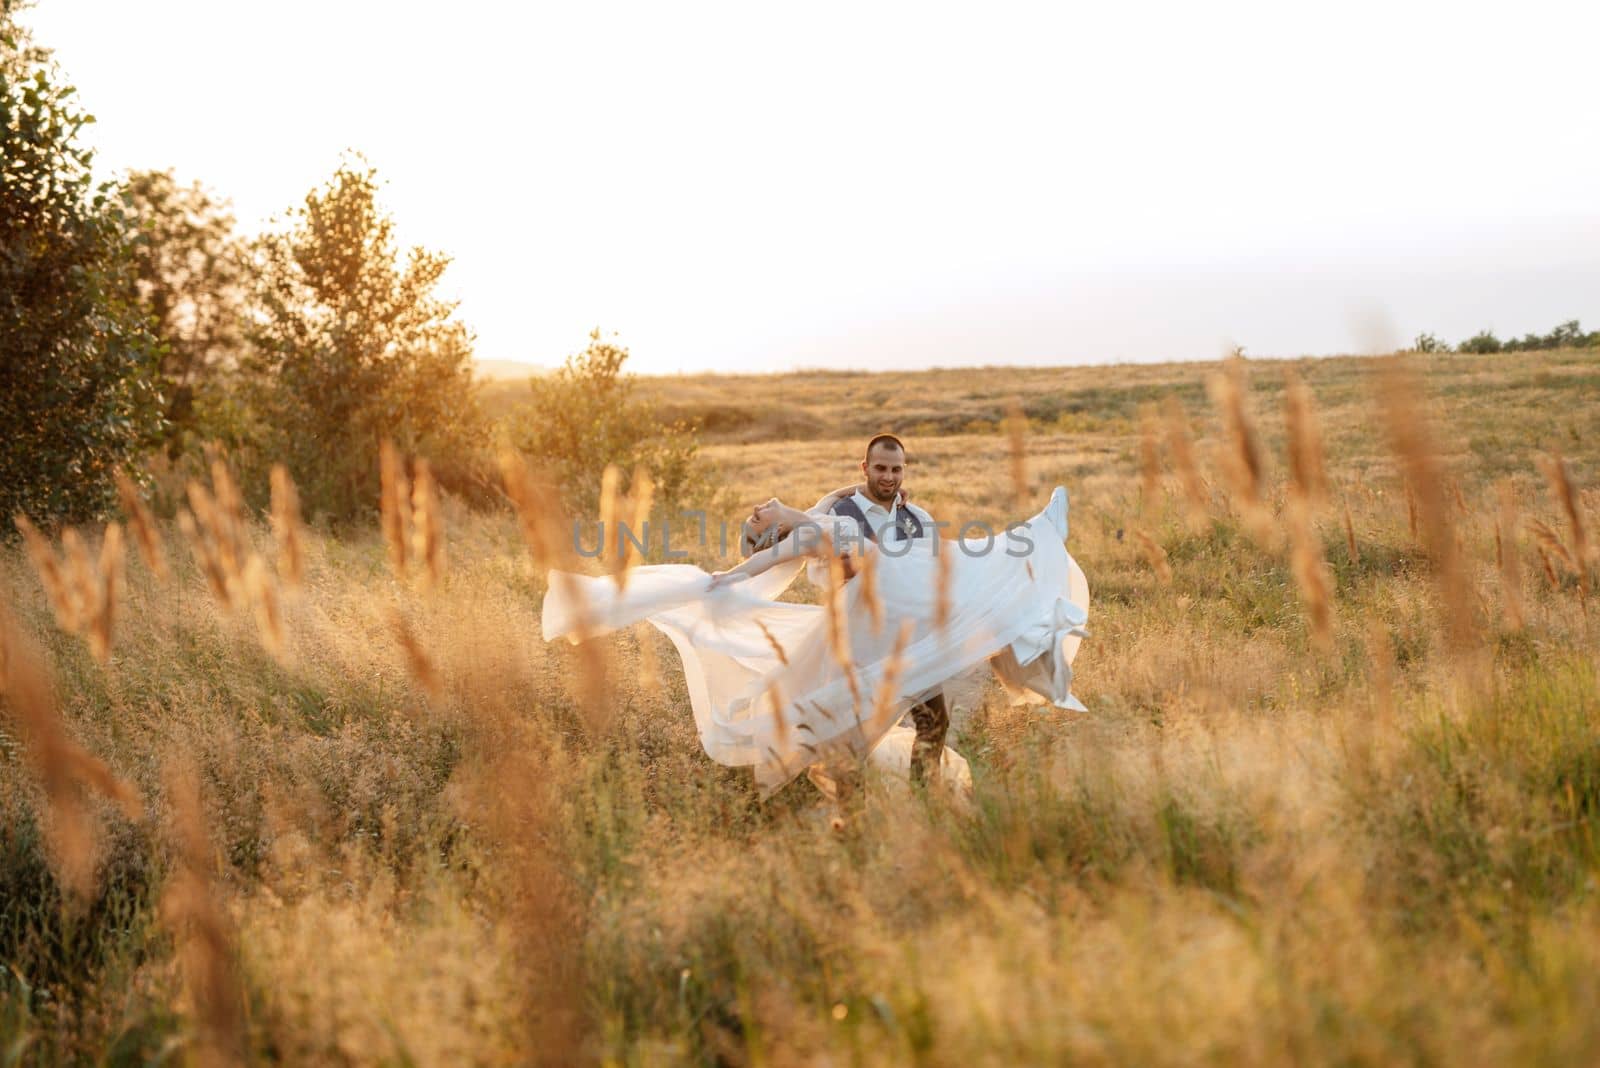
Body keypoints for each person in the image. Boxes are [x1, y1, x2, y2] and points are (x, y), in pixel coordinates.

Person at [540, 435, 1090, 798]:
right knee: (841, 730)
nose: (890, 476)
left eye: (897, 468)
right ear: (865, 468)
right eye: (881, 468)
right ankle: (825, 805)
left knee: (933, 720)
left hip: (902, 635)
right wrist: (735, 573)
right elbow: (794, 544)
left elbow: (933, 571)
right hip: (851, 633)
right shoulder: (840, 510)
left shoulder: (917, 517)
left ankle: (923, 800)